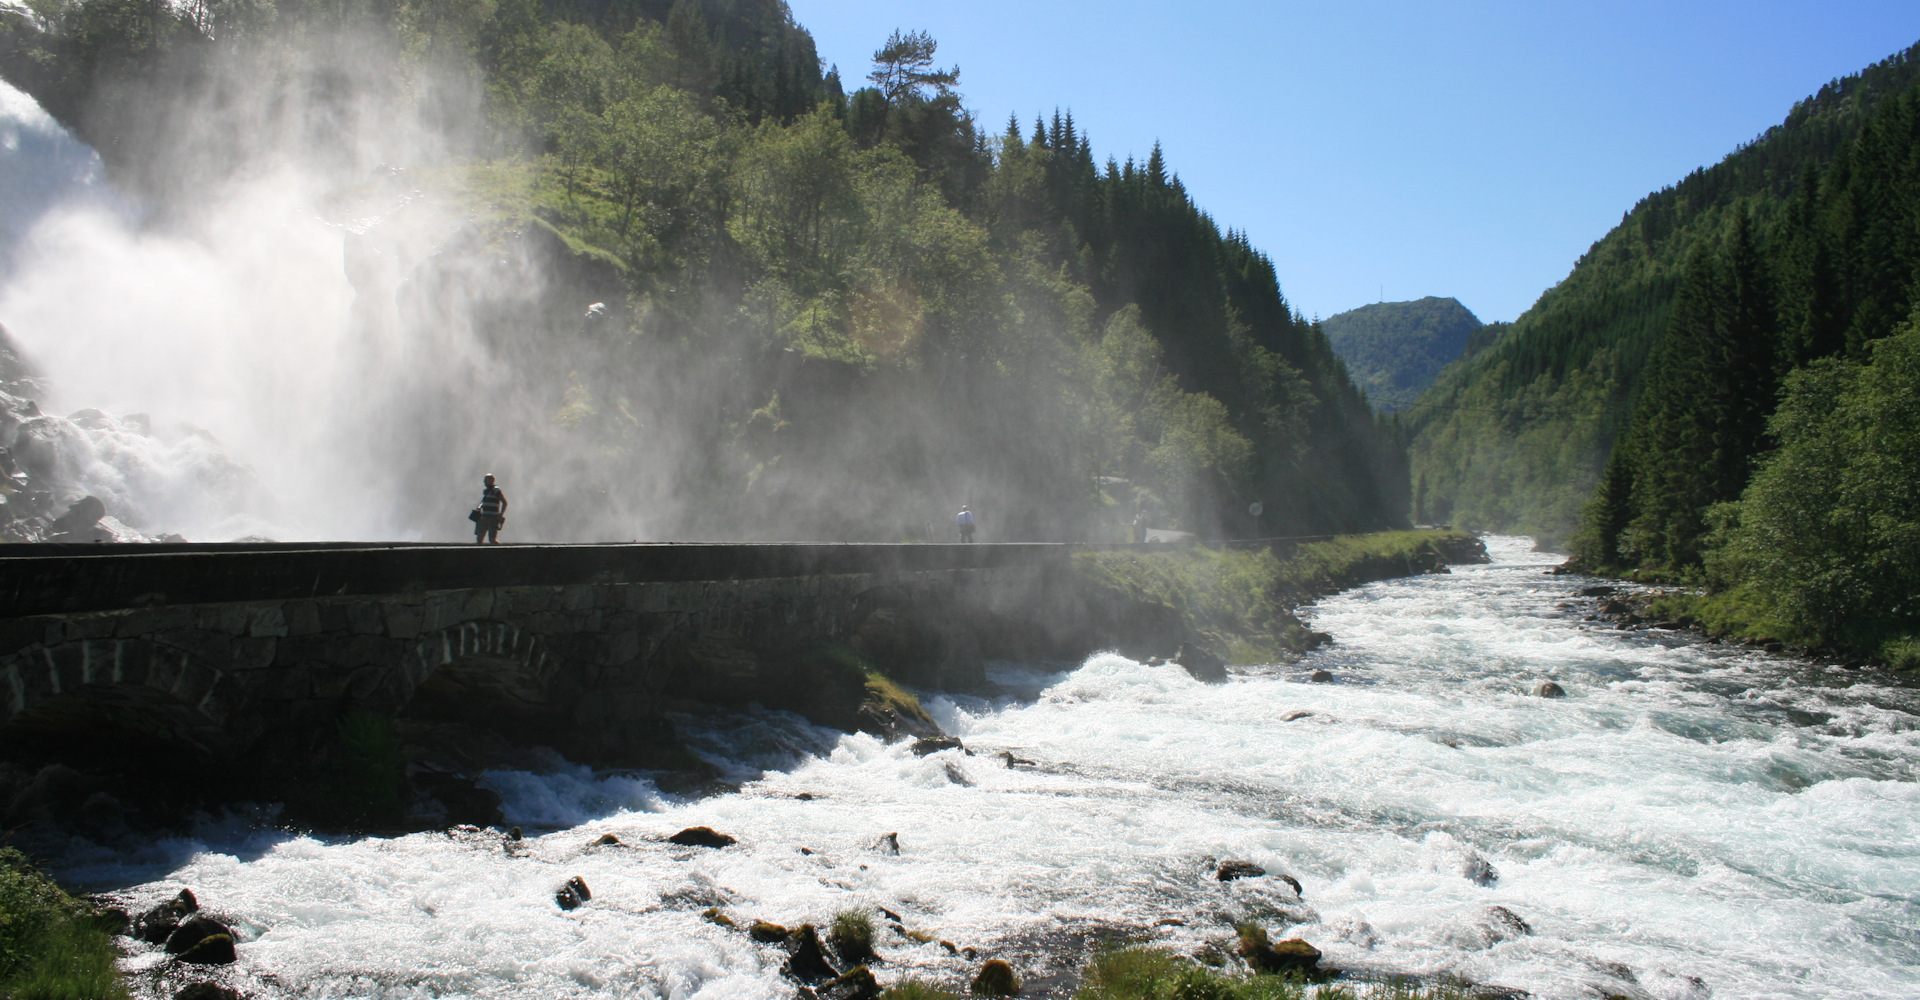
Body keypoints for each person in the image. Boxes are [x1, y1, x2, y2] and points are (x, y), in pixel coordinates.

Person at [474, 474, 508, 544]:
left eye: (486, 480)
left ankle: (500, 551)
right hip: (484, 517)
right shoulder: (486, 491)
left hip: (493, 518)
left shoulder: (496, 490)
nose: (484, 482)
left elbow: (504, 502)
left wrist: (501, 514)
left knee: (492, 539)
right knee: (479, 538)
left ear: (491, 481)